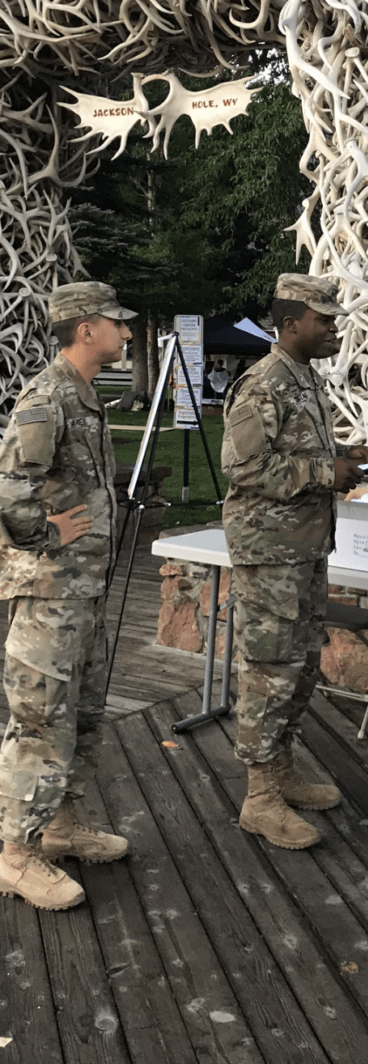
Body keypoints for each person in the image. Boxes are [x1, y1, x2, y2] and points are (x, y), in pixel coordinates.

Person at [221, 273, 368, 849]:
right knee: (268, 669)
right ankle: (259, 798)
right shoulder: (262, 384)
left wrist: (343, 455)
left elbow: (294, 452)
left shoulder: (305, 380)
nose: (334, 328)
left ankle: (281, 770)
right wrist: (322, 474)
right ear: (291, 324)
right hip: (270, 555)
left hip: (306, 548)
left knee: (301, 665)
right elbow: (241, 469)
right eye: (324, 320)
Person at [0, 281, 137, 911]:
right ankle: (14, 857)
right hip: (51, 594)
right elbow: (9, 489)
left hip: (83, 595)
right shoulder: (48, 397)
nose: (127, 333)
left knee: (81, 715)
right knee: (38, 723)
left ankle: (58, 827)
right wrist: (41, 531)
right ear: (86, 329)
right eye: (117, 323)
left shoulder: (84, 398)